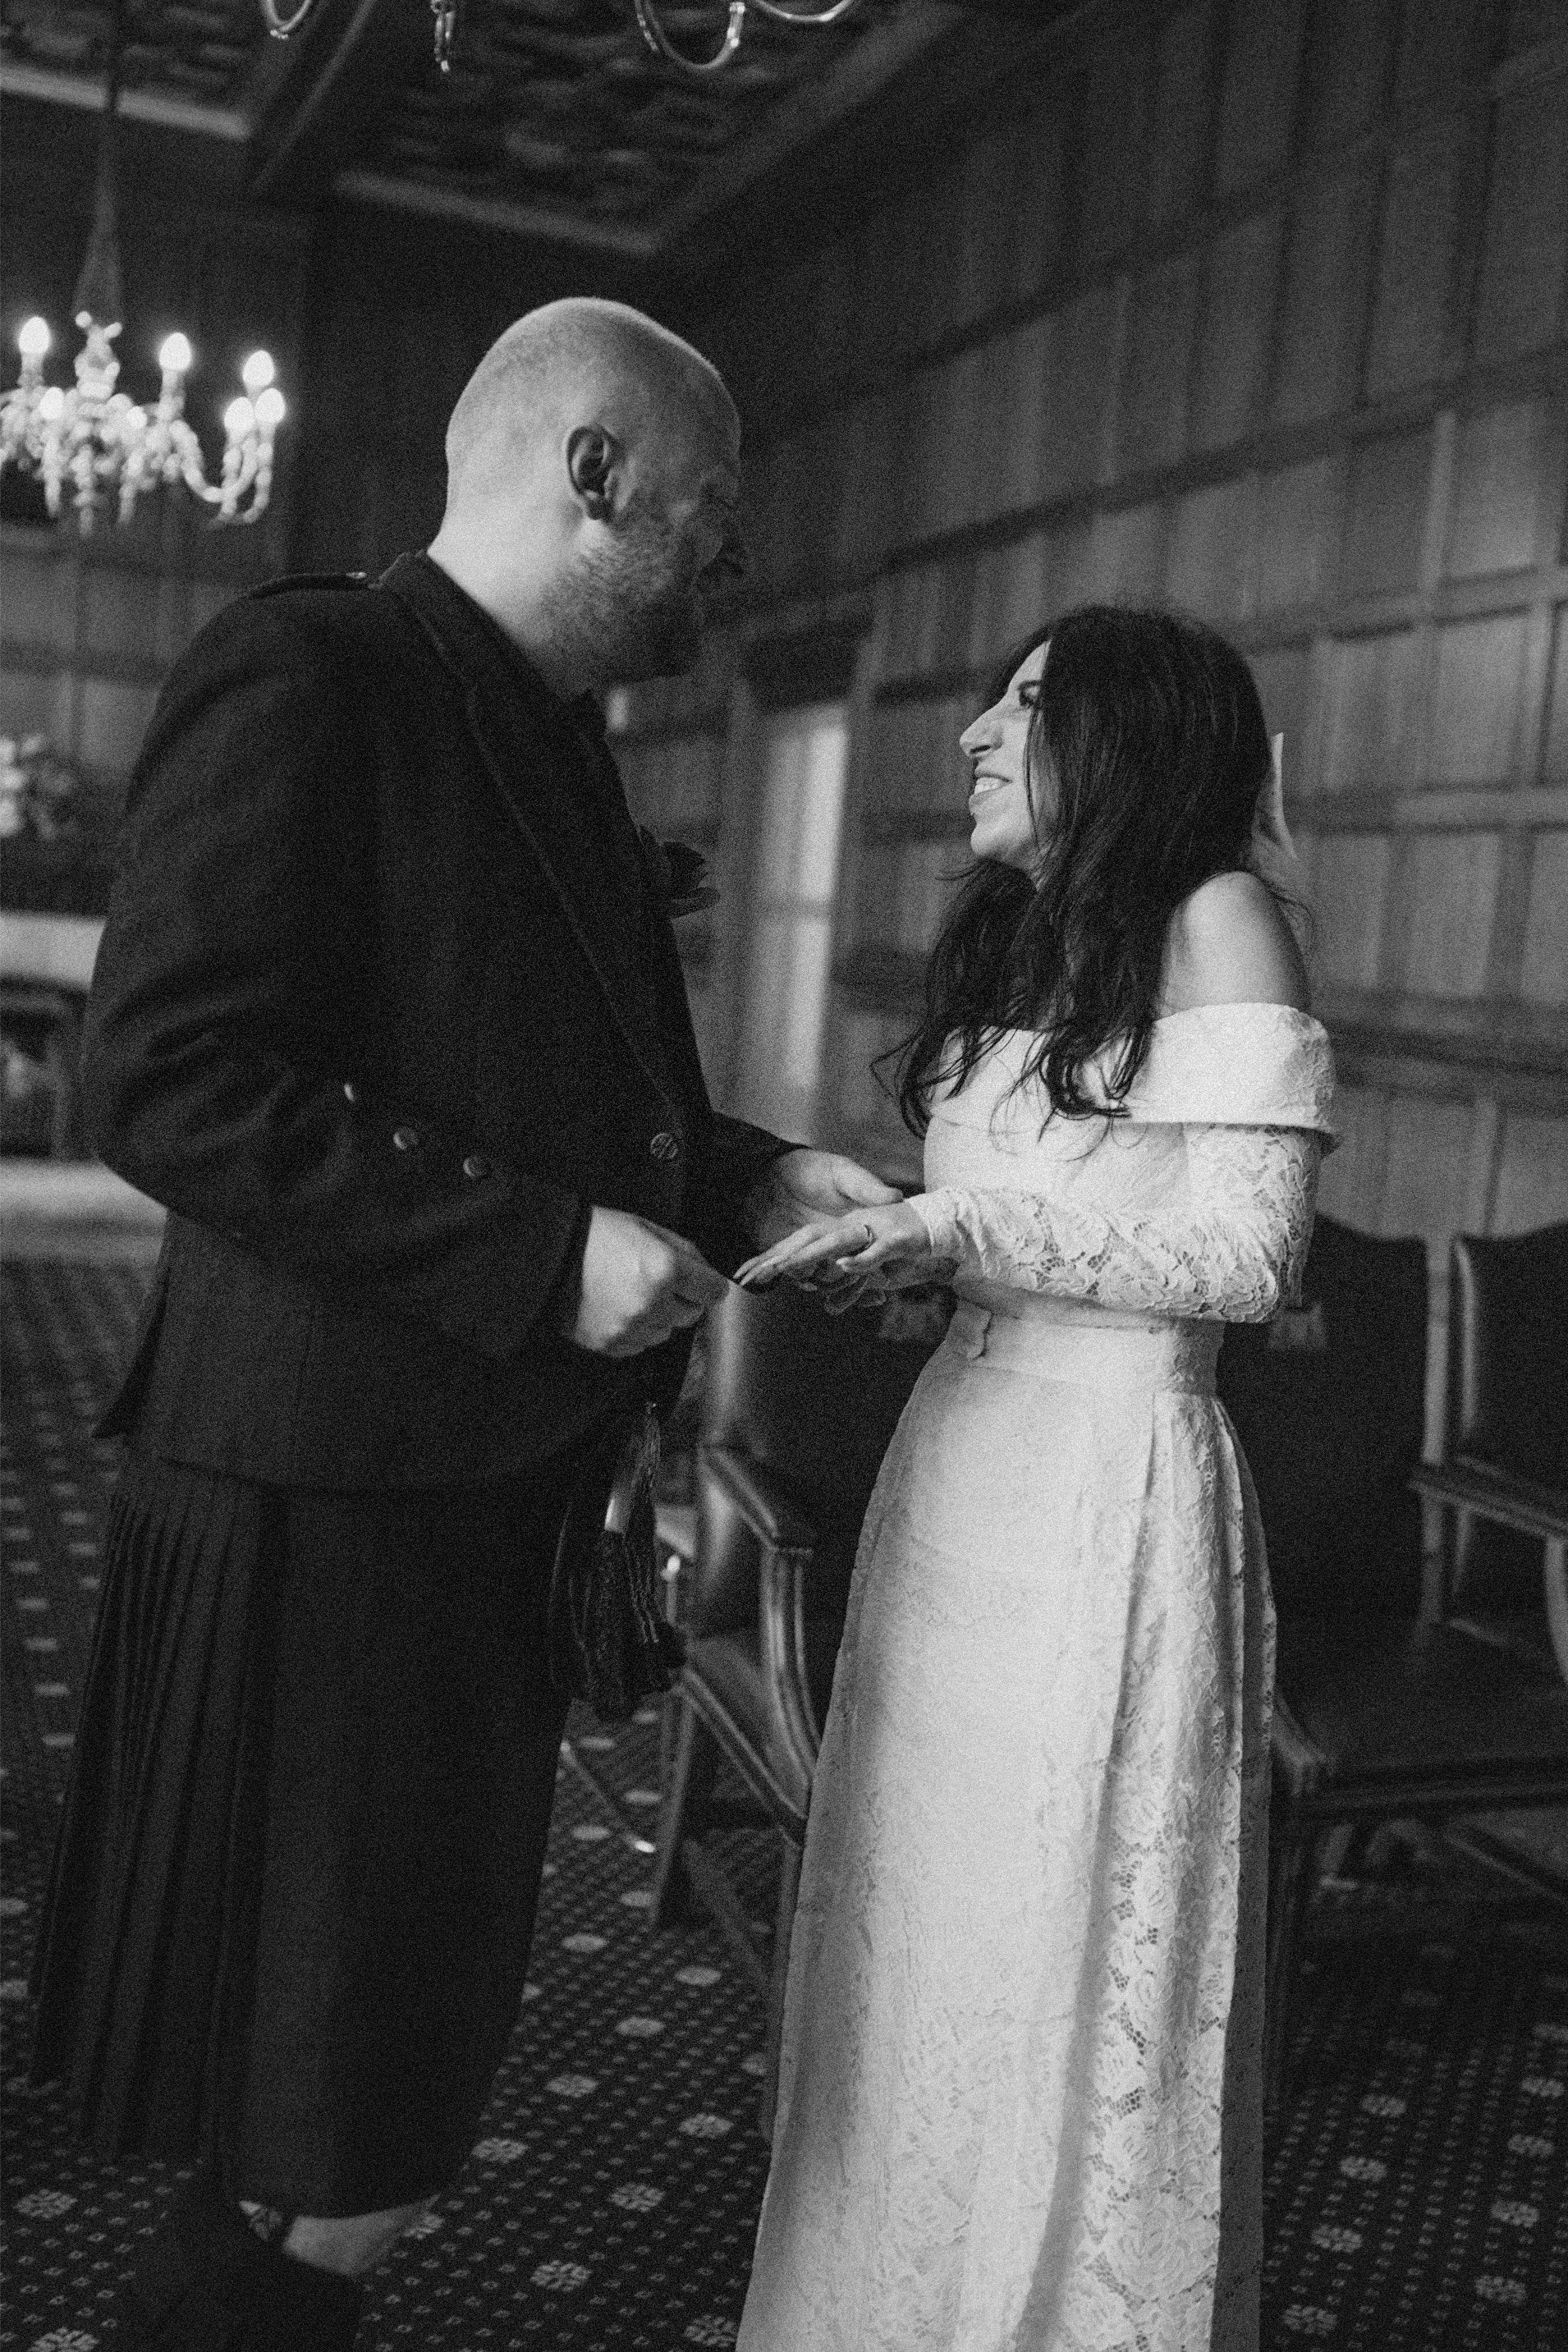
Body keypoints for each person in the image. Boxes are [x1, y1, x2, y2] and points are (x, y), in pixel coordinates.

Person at [29, 297, 899, 2349]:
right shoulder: (314, 666)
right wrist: (544, 1255)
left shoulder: (542, 734)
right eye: (711, 513)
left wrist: (749, 1175)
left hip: (461, 1512)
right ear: (590, 473)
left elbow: (552, 1081)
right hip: (329, 1513)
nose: (734, 562)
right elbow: (154, 1079)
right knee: (328, 2143)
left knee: (367, 2121)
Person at [732, 607, 1336, 2351]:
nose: (977, 729)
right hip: (960, 1477)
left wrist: (971, 1220)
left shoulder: (1220, 918)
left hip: (1105, 1494)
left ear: (1127, 734)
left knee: (1057, 1947)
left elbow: (1246, 1260)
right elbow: (1062, 1227)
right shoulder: (1018, 940)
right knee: (923, 1942)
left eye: (1022, 700)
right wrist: (915, 1257)